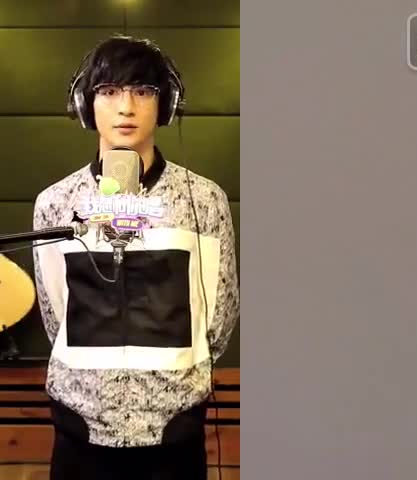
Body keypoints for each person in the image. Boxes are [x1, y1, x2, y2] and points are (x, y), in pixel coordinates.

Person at [32, 35, 239, 480]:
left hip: (174, 431)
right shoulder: (55, 203)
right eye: (109, 91)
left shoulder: (204, 201)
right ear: (86, 105)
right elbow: (55, 313)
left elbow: (218, 318)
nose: (126, 107)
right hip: (80, 427)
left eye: (143, 91)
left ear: (166, 105)